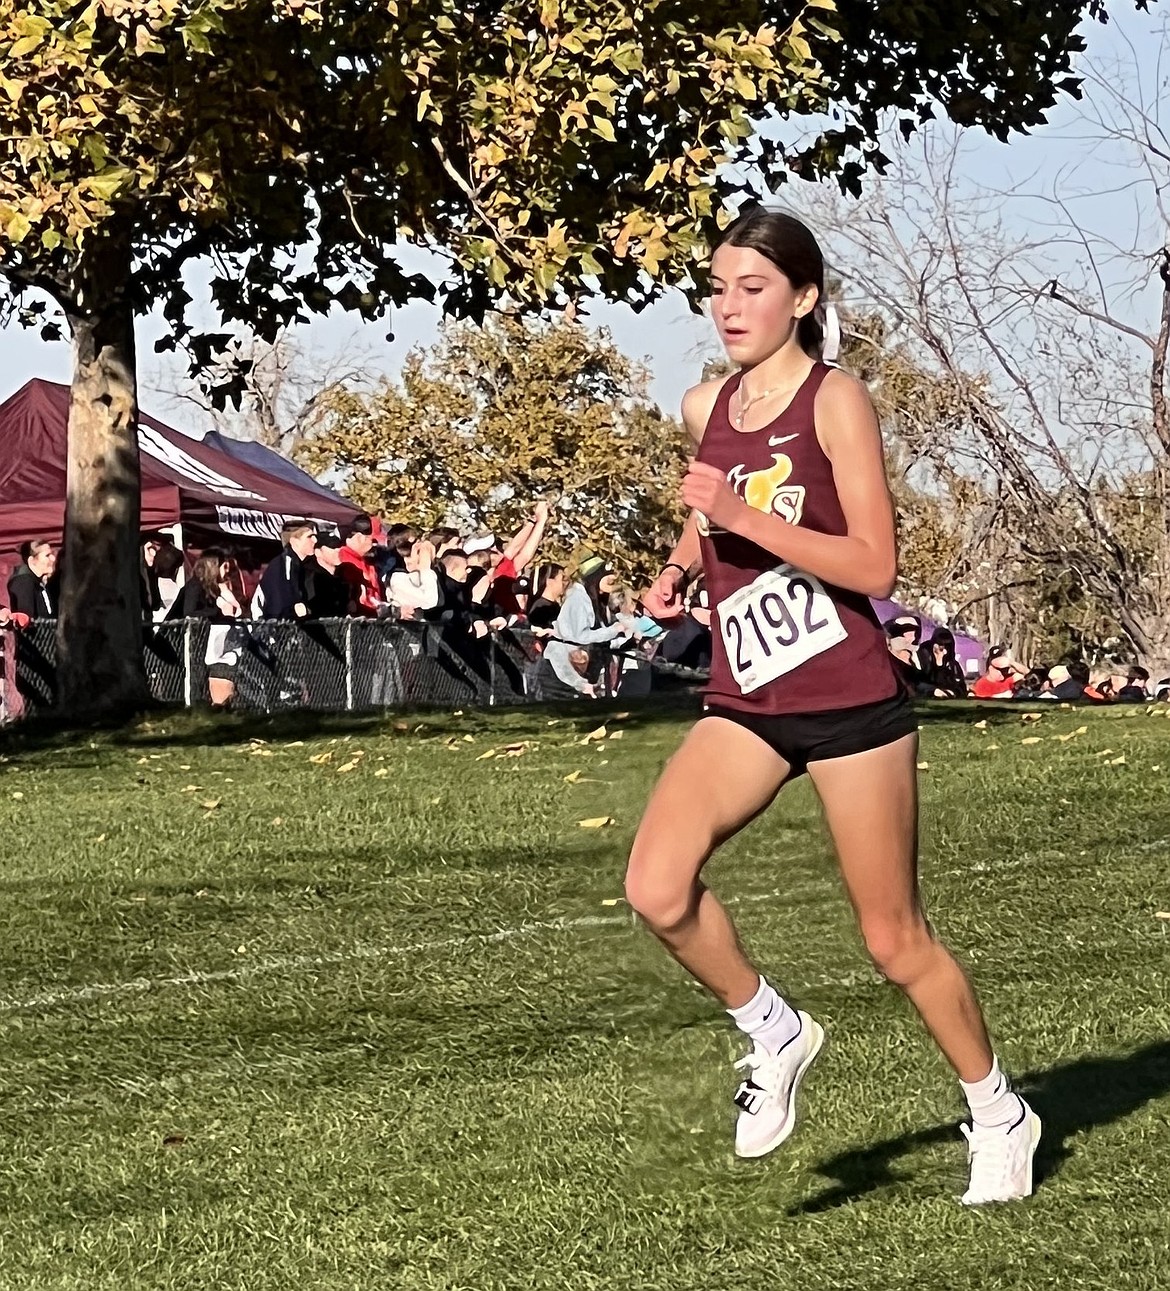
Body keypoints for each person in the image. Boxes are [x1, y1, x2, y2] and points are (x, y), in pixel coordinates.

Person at [624, 207, 1039, 1207]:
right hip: (749, 700)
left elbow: (874, 564)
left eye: (752, 288)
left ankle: (998, 1113)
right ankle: (773, 1027)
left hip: (850, 699)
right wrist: (684, 563)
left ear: (804, 298)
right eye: (717, 287)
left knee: (893, 936)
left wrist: (738, 518)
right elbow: (707, 499)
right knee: (656, 886)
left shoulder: (834, 401)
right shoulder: (703, 404)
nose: (729, 306)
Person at [539, 556, 630, 700]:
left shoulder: (590, 599)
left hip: (576, 665)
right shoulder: (578, 599)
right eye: (609, 580)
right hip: (562, 674)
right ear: (595, 578)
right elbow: (580, 636)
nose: (613, 585)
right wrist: (614, 630)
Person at [170, 548, 244, 709]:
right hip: (184, 640)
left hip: (201, 640)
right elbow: (189, 611)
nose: (227, 571)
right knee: (193, 674)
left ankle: (203, 705)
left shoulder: (212, 588)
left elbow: (235, 608)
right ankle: (193, 705)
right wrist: (217, 612)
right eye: (224, 566)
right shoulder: (195, 586)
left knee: (202, 672)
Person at [7, 540, 59, 619]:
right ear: (32, 561)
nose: (53, 558)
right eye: (47, 555)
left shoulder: (42, 581)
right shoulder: (23, 583)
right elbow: (28, 621)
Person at [918, 627, 968, 699]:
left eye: (948, 647)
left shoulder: (953, 666)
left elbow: (961, 686)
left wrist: (953, 692)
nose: (945, 652)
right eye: (941, 648)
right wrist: (939, 662)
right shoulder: (923, 661)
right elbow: (920, 684)